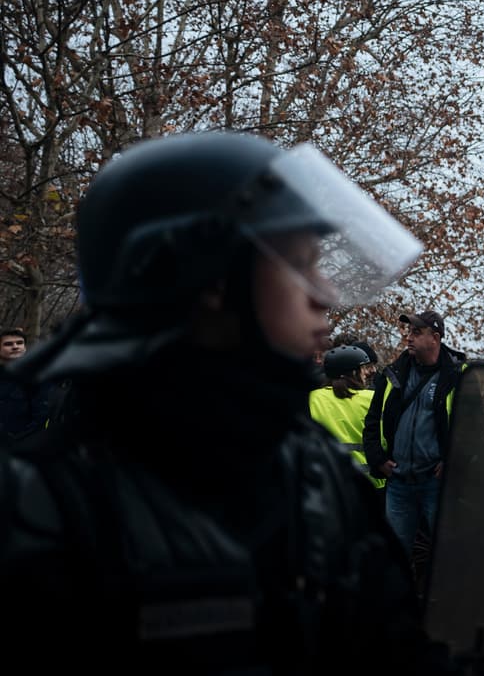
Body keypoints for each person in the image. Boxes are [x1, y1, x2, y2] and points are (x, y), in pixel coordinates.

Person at [0, 131, 432, 667]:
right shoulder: (36, 508)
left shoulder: (315, 470)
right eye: (299, 263)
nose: (323, 292)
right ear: (208, 280)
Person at [365, 307, 466, 586]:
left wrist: (451, 462)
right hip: (398, 483)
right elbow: (372, 421)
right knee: (394, 558)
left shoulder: (459, 375)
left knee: (448, 555)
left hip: (436, 483)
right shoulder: (393, 373)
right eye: (408, 332)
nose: (408, 337)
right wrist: (378, 460)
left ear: (435, 337)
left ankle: (445, 611)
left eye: (416, 332)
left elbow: (475, 426)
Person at [310, 344, 384, 489]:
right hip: (371, 484)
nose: (366, 374)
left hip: (327, 483)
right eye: (363, 369)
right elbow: (385, 439)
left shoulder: (312, 398)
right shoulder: (373, 399)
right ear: (354, 373)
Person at [1, 327, 50, 446]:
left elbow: (42, 417)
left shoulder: (37, 377)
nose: (15, 346)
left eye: (20, 343)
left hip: (21, 446)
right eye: (8, 344)